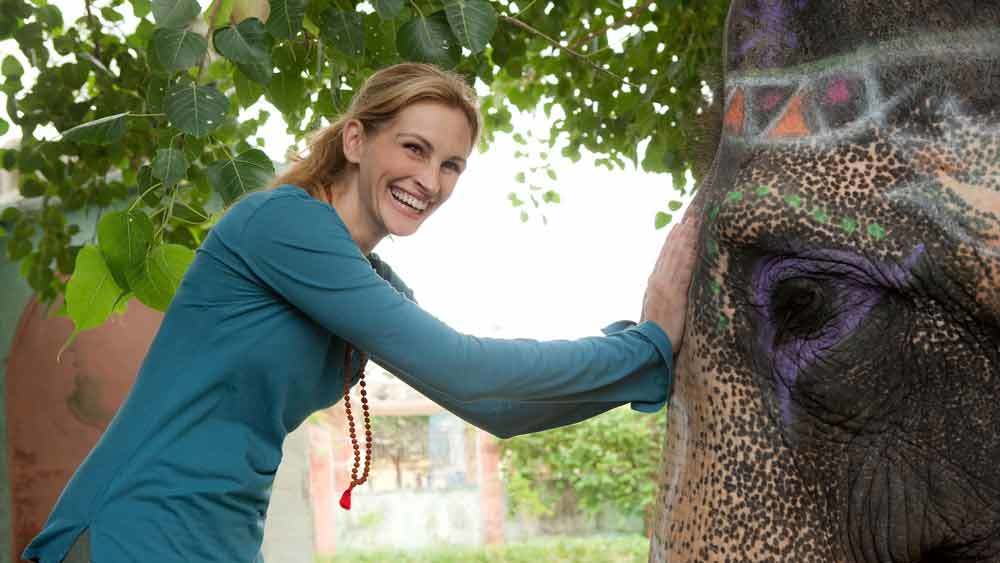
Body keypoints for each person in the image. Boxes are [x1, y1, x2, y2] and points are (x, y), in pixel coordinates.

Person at [23, 63, 700, 563]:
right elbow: (469, 371)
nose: (429, 180)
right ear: (354, 140)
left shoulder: (368, 284)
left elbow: (495, 403)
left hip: (219, 541)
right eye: (413, 148)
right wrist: (644, 347)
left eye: (452, 166)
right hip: (129, 530)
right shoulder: (282, 224)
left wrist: (650, 358)